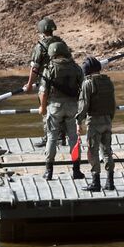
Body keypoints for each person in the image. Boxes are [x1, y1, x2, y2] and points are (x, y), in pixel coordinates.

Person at [39, 41, 85, 182]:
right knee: (73, 139)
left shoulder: (50, 69)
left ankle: (49, 171)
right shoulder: (76, 68)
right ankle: (76, 170)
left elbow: (43, 91)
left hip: (55, 107)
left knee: (52, 137)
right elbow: (83, 89)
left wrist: (43, 106)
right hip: (73, 107)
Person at [78, 56, 117, 191]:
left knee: (93, 152)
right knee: (107, 151)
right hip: (107, 120)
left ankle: (96, 183)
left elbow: (83, 106)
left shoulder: (87, 84)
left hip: (94, 122)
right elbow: (113, 104)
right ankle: (110, 182)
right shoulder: (108, 82)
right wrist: (109, 118)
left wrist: (78, 122)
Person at [25, 17, 67, 140]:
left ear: (41, 31)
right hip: (63, 81)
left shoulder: (40, 46)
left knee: (46, 110)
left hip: (46, 82)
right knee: (62, 108)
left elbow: (35, 68)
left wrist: (29, 84)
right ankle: (61, 135)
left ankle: (48, 137)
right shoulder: (61, 44)